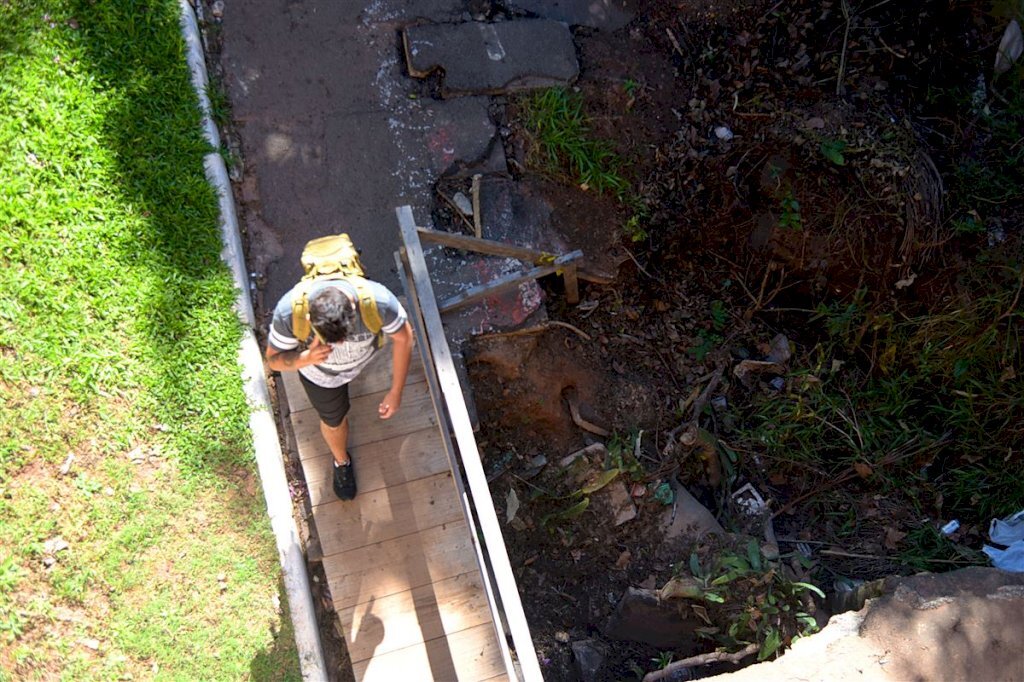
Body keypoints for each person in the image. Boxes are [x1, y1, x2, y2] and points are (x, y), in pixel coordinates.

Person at [265, 278, 413, 500]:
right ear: (309, 319)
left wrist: (396, 392)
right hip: (321, 378)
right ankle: (341, 461)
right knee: (334, 421)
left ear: (354, 308)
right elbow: (274, 361)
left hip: (360, 364)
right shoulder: (288, 314)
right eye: (329, 339)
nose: (340, 344)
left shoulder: (379, 302)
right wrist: (305, 358)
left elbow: (404, 338)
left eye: (345, 335)